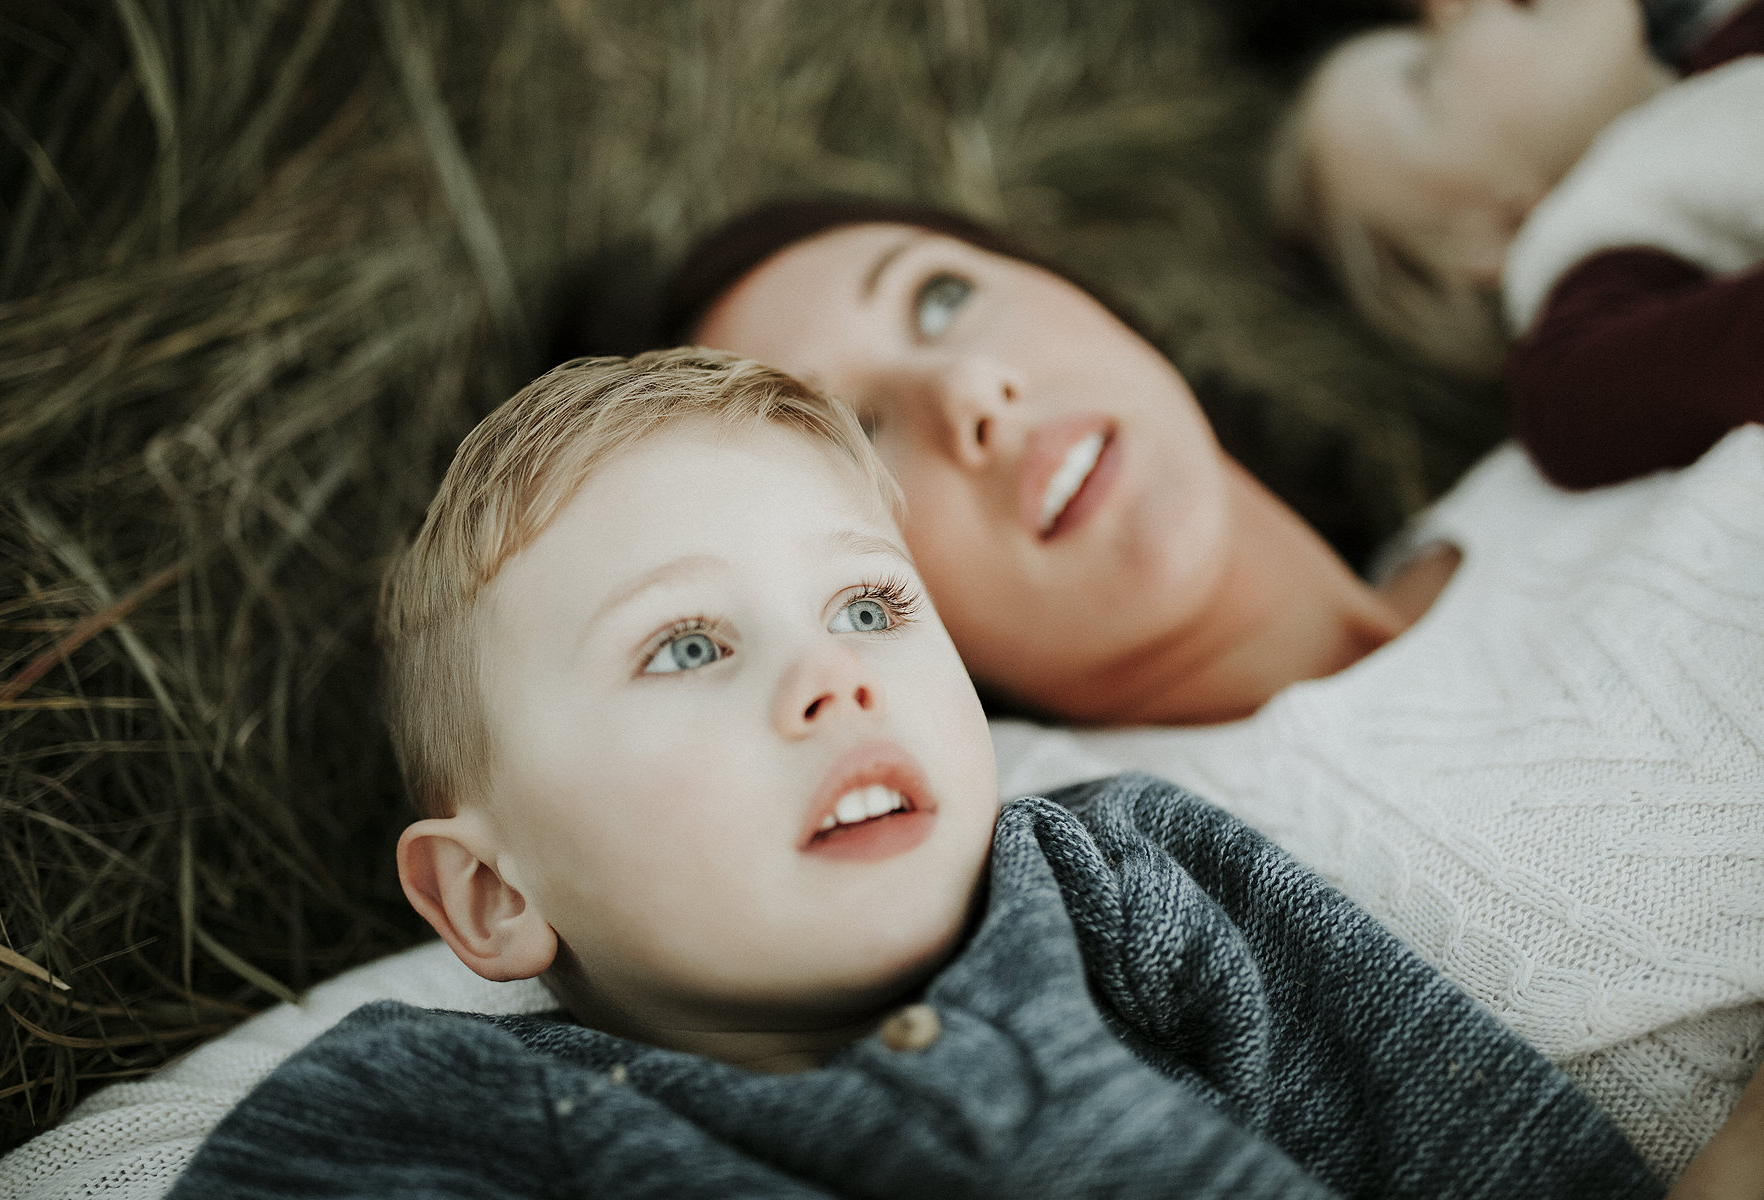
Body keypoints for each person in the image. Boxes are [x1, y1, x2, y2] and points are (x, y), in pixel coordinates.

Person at [159, 348, 1664, 1198]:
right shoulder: (427, 1119)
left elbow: (1491, 1160)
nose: (836, 675)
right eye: (686, 646)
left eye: (870, 606)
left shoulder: (1128, 884)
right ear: (491, 896)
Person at [665, 198, 1764, 1180]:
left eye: (941, 296)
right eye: (856, 440)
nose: (968, 394)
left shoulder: (1596, 429)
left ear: (1093, 301)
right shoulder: (1059, 865)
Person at [1269, 0, 1764, 487]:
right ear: (1485, 242)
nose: (1444, 7)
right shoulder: (1581, 343)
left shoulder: (1732, 44)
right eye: (1424, 69)